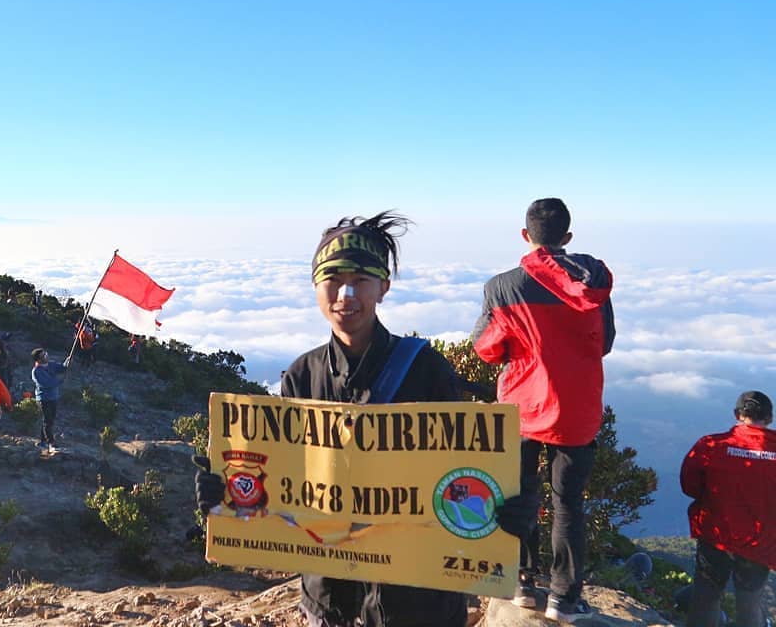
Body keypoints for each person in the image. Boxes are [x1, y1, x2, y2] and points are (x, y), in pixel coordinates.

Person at [196, 211, 503, 627]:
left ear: (383, 288)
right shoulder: (302, 376)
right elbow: (287, 490)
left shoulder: (426, 371)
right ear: (315, 287)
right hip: (329, 600)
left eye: (360, 281)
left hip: (416, 601)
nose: (346, 294)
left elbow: (461, 477)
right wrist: (228, 492)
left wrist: (505, 507)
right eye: (334, 279)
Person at [471, 197, 615, 622]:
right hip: (577, 410)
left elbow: (486, 348)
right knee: (569, 505)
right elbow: (604, 342)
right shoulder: (595, 284)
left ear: (525, 235)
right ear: (567, 238)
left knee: (518, 497)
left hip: (522, 408)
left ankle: (520, 585)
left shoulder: (503, 287)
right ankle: (563, 599)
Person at [680, 390, 775, 627]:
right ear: (770, 418)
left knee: (707, 596)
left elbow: (689, 486)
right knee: (750, 601)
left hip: (716, 533)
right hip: (761, 541)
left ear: (737, 414)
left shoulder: (711, 445)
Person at [31, 348, 67, 452]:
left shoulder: (51, 364)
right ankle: (51, 442)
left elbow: (62, 368)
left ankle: (42, 441)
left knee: (49, 420)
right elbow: (46, 384)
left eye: (46, 353)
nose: (46, 356)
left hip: (54, 397)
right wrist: (59, 381)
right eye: (43, 355)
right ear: (38, 359)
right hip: (43, 399)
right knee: (48, 420)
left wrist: (67, 362)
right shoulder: (36, 371)